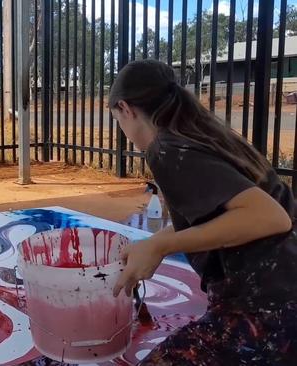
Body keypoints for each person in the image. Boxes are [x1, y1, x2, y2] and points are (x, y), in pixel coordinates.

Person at [109, 59, 297, 365]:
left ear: (126, 110)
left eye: (118, 120)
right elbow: (220, 213)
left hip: (268, 312)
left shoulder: (167, 150)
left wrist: (161, 245)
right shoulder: (200, 135)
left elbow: (270, 217)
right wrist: (154, 243)